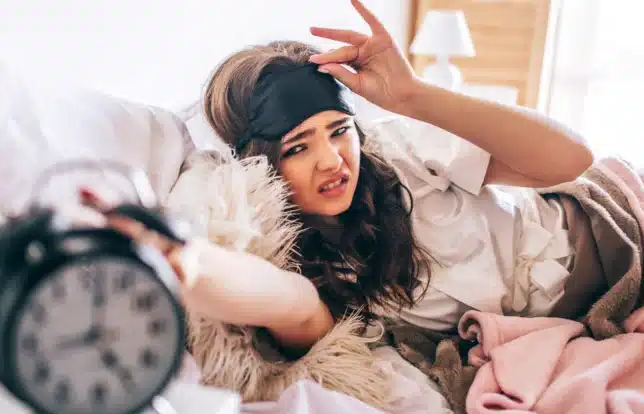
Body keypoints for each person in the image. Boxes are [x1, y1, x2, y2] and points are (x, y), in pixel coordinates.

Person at [87, 0, 594, 357]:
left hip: (607, 229)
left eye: (338, 131)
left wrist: (414, 96)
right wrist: (182, 261)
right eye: (299, 147)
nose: (333, 160)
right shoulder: (304, 261)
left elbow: (572, 161)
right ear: (259, 163)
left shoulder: (401, 151)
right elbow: (293, 309)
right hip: (569, 316)